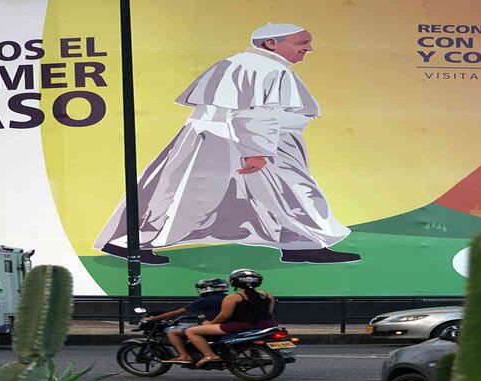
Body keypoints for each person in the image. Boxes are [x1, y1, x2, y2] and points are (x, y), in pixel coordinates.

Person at [92, 22, 360, 265]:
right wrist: (256, 152)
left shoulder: (241, 63)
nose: (309, 49)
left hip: (231, 139)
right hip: (242, 142)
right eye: (301, 43)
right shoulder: (266, 68)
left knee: (179, 192)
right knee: (282, 193)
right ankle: (132, 244)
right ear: (271, 44)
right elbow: (254, 111)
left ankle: (301, 245)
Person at [185, 269, 277, 367]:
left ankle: (210, 355)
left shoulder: (233, 297)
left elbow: (224, 316)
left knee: (191, 331)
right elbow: (269, 312)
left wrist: (211, 323)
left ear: (234, 282)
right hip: (268, 324)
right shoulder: (268, 295)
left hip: (239, 326)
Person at [143, 278, 229, 363]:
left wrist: (153, 318)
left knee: (172, 332)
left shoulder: (205, 300)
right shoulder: (228, 298)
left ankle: (184, 356)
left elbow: (177, 312)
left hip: (215, 327)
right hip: (227, 325)